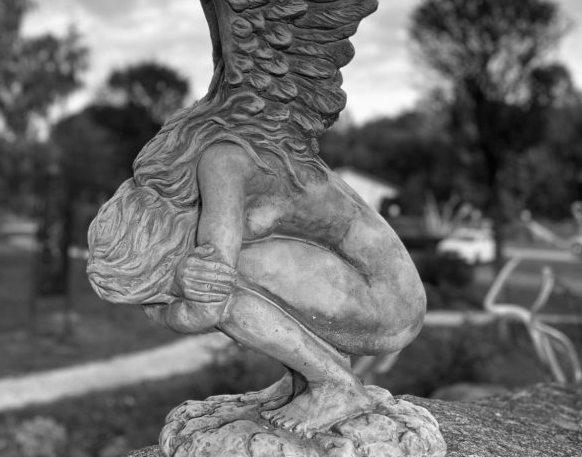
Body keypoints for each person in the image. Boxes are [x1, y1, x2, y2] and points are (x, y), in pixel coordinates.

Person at [88, 115, 425, 436]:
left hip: (389, 301)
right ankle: (303, 378)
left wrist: (172, 300)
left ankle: (336, 388)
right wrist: (170, 296)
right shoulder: (221, 159)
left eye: (160, 290)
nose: (169, 297)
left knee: (226, 283)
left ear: (162, 251)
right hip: (373, 292)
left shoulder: (221, 164)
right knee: (227, 270)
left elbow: (209, 306)